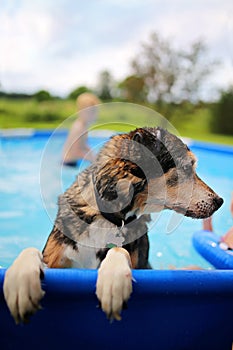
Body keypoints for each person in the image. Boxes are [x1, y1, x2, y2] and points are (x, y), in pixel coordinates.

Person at [62, 92, 100, 166]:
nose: (93, 115)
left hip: (72, 162)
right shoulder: (78, 128)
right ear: (79, 111)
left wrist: (94, 156)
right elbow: (76, 152)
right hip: (68, 163)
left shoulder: (84, 126)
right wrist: (94, 160)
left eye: (94, 111)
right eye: (90, 112)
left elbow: (83, 145)